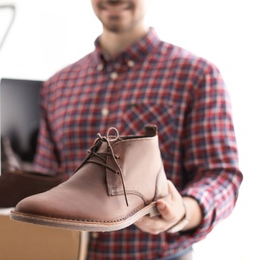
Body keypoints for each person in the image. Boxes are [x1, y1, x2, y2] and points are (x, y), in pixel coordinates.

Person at [31, 0, 243, 259]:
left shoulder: (196, 75)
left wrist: (183, 211)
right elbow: (46, 178)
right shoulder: (57, 86)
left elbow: (220, 175)